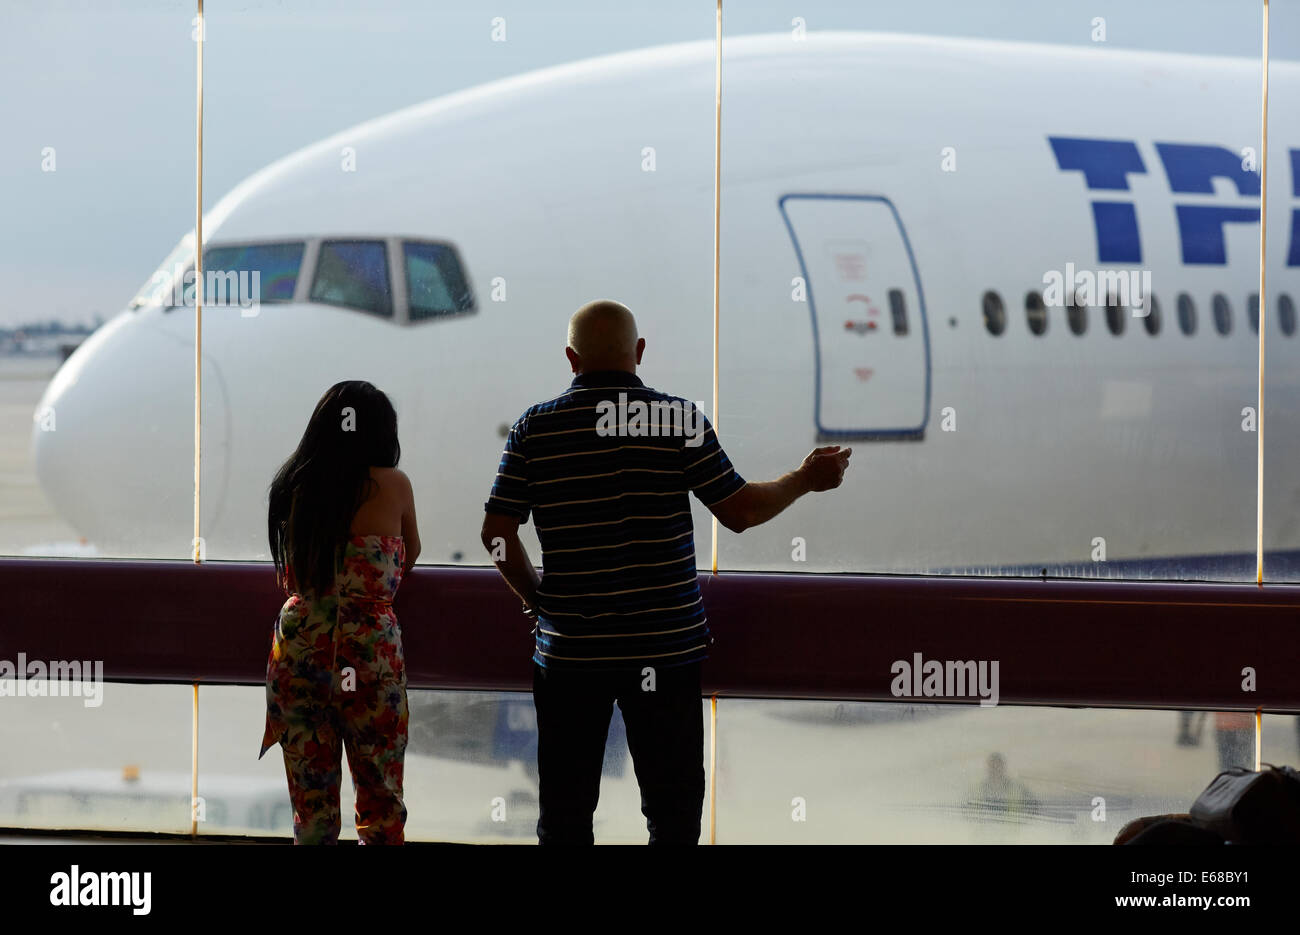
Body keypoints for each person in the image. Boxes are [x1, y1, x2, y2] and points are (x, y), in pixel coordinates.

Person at [481, 299, 851, 844]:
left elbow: (496, 533)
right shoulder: (677, 420)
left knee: (563, 817)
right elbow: (740, 512)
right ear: (639, 351)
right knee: (673, 818)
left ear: (571, 358)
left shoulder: (535, 429)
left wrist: (537, 599)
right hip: (665, 650)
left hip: (571, 655)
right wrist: (804, 479)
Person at [260, 380, 421, 844]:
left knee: (311, 806)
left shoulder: (297, 484)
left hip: (299, 648)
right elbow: (410, 553)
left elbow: (291, 571)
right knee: (381, 799)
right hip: (369, 653)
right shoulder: (394, 484)